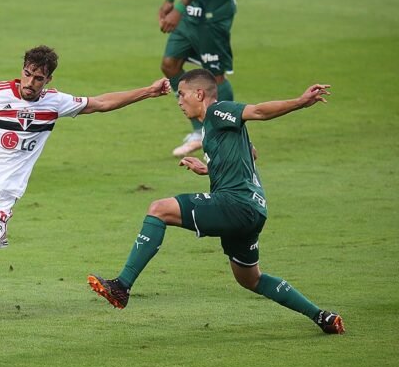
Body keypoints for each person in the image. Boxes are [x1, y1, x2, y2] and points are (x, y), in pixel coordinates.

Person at [0, 45, 171, 320]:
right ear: (21, 70)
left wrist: (148, 91)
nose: (30, 83)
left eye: (38, 78)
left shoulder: (55, 102)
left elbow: (99, 103)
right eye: (27, 74)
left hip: (0, 199)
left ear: (48, 80)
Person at [87, 69, 345, 335]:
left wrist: (300, 101)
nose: (179, 101)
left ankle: (122, 286)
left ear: (199, 94)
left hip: (236, 203)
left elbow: (258, 111)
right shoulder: (212, 130)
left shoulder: (217, 111)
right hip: (254, 210)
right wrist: (208, 170)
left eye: (182, 94)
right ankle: (323, 317)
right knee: (250, 279)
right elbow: (251, 154)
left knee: (159, 209)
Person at [159, 0, 237, 157]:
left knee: (216, 75)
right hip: (191, 13)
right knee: (170, 64)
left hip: (212, 13)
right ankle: (199, 132)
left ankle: (226, 133)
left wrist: (178, 9)